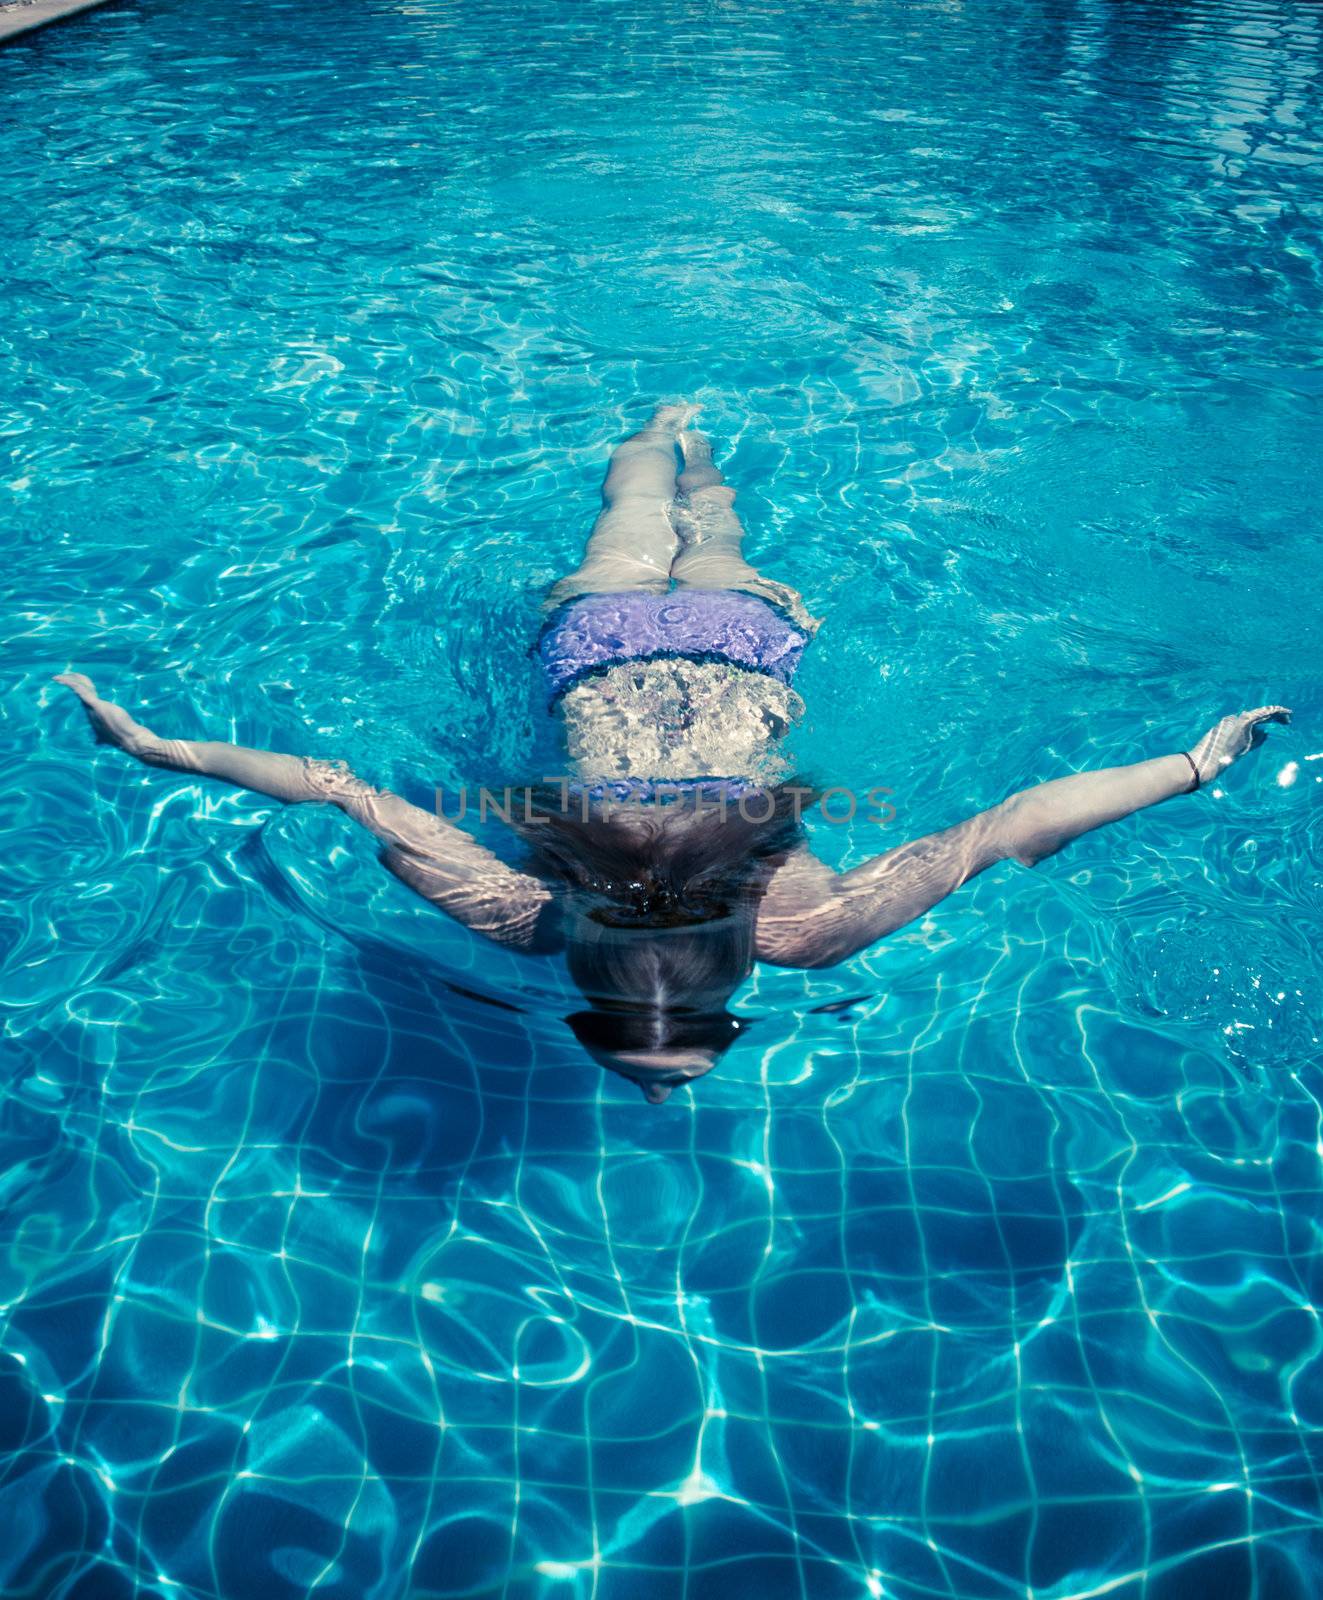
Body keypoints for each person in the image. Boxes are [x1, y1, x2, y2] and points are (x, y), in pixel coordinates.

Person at [54, 404, 1291, 1103]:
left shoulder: (810, 925)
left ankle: (686, 442)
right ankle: (673, 438)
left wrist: (1193, 765)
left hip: (741, 652)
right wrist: (165, 750)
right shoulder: (530, 911)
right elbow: (340, 787)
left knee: (711, 534)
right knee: (631, 517)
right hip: (597, 650)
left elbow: (1016, 821)